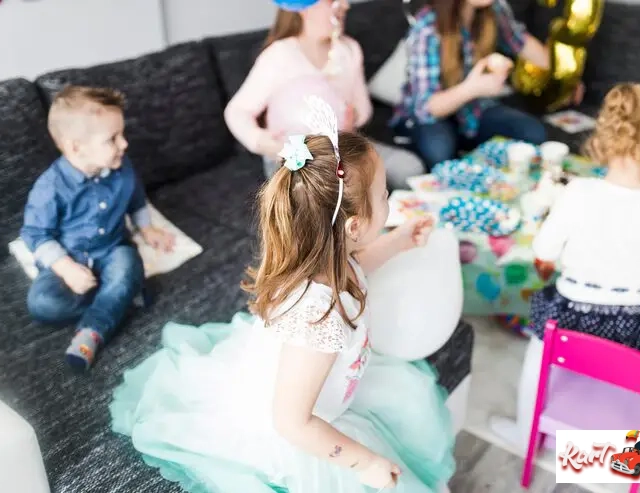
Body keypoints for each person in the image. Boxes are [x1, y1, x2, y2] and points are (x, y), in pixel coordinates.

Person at [109, 118, 456, 492]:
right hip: (298, 428)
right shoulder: (319, 320)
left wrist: (398, 241)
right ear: (353, 227)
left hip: (320, 391)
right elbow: (292, 423)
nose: (389, 200)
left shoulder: (335, 256)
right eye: (385, 195)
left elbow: (358, 268)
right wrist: (363, 460)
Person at [489, 83, 640, 450]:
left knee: (537, 354)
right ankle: (630, 449)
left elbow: (544, 248)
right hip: (632, 324)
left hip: (570, 317)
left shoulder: (576, 191)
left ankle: (525, 433)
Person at [21, 86, 175, 370]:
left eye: (122, 134)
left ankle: (92, 331)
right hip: (70, 257)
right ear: (75, 147)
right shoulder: (50, 187)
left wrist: (147, 228)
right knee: (41, 303)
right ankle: (122, 296)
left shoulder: (122, 166)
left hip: (113, 249)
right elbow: (34, 234)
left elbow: (135, 196)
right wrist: (66, 268)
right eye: (112, 139)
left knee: (127, 263)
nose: (124, 144)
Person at [224, 0, 426, 189]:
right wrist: (265, 142)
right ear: (304, 8)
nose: (345, 5)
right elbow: (237, 111)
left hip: (342, 143)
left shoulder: (348, 50)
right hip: (294, 152)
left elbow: (364, 111)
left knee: (410, 168)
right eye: (332, 0)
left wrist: (350, 114)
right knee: (333, 190)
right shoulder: (279, 55)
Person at [392, 0, 581, 167]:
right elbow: (426, 108)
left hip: (472, 109)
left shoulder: (495, 8)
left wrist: (566, 77)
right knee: (439, 152)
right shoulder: (427, 27)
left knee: (534, 133)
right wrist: (473, 88)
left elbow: (520, 42)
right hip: (431, 116)